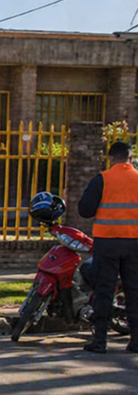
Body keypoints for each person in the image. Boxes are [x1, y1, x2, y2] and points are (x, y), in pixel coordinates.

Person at [77, 140, 138, 354]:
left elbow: (85, 210)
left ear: (111, 158)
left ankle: (100, 341)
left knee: (104, 291)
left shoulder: (102, 179)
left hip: (107, 242)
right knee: (134, 291)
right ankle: (136, 341)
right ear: (131, 158)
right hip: (135, 243)